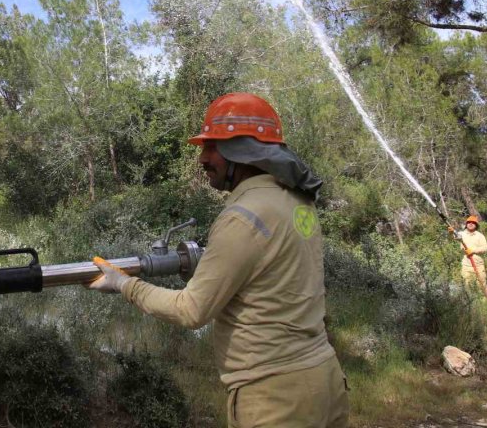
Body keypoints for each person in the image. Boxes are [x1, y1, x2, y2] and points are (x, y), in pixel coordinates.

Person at [89, 93, 348, 428]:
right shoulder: (297, 201)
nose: (202, 158)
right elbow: (274, 272)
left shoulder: (242, 217)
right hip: (325, 379)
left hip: (275, 398)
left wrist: (125, 284)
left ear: (243, 152)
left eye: (212, 147)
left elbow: (191, 310)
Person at [450, 215, 487, 293]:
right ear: (466, 224)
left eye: (473, 223)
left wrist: (473, 251)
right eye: (469, 222)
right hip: (466, 266)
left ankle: (485, 302)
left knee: (481, 285)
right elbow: (455, 236)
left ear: (476, 225)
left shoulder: (480, 236)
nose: (471, 224)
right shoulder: (461, 234)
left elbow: (485, 248)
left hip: (478, 265)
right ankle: (471, 303)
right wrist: (451, 232)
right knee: (468, 287)